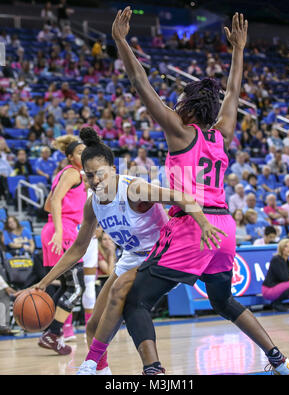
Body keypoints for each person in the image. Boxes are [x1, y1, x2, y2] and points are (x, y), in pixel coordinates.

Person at [73, 8, 289, 375]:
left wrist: (120, 41)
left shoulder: (180, 130)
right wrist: (238, 51)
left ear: (188, 106)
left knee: (134, 302)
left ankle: (154, 373)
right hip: (224, 228)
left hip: (192, 225)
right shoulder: (221, 133)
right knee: (223, 300)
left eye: (181, 100)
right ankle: (282, 362)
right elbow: (233, 93)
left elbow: (140, 81)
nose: (175, 104)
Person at [29, 127, 226, 375]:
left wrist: (205, 224)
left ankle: (98, 364)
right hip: (132, 256)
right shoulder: (92, 204)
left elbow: (181, 196)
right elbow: (78, 248)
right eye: (89, 176)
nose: (95, 180)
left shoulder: (134, 189)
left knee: (121, 292)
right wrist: (44, 282)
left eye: (100, 174)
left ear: (113, 170)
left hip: (161, 253)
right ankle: (102, 372)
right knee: (93, 326)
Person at [33, 135, 86, 355]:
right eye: (80, 153)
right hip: (61, 232)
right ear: (70, 157)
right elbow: (53, 202)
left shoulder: (64, 175)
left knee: (66, 286)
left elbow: (47, 203)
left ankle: (51, 332)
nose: (85, 155)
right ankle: (53, 334)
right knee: (77, 287)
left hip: (56, 229)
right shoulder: (72, 173)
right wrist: (61, 230)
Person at [262, 239, 289, 312]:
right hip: (268, 289)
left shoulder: (286, 260)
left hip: (278, 288)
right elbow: (284, 278)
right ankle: (276, 303)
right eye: (286, 246)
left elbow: (286, 278)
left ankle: (275, 303)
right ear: (282, 248)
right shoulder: (276, 259)